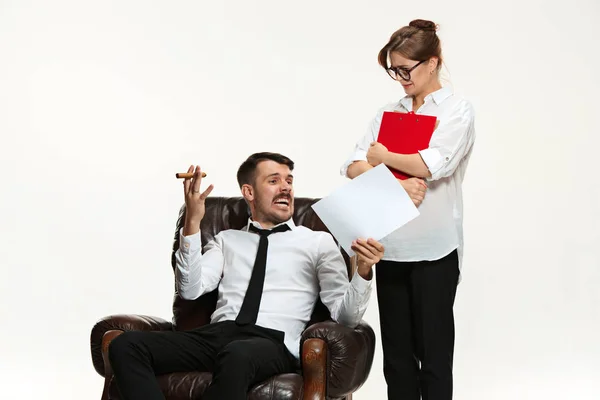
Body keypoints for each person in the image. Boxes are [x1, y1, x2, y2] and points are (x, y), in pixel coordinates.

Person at [108, 152, 385, 400]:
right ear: (249, 192)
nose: (286, 188)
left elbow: (345, 317)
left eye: (289, 180)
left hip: (272, 342)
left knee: (238, 354)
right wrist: (193, 222)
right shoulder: (226, 240)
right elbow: (190, 289)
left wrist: (362, 271)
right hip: (216, 335)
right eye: (274, 181)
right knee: (125, 345)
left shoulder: (319, 242)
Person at [340, 19, 476, 400]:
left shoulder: (456, 110)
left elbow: (436, 164)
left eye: (406, 69)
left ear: (432, 63)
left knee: (433, 357)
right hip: (391, 247)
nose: (400, 78)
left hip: (435, 249)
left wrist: (382, 157)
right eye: (393, 70)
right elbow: (352, 167)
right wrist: (396, 179)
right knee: (397, 359)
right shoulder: (388, 113)